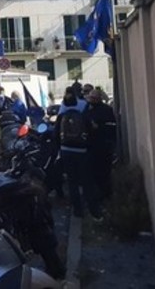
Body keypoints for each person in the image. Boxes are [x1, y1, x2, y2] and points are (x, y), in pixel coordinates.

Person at [56, 88, 101, 220]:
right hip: (82, 151)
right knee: (87, 181)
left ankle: (77, 211)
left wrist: (59, 149)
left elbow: (56, 133)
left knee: (72, 182)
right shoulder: (83, 107)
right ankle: (93, 210)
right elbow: (91, 130)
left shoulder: (62, 110)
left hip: (66, 151)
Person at [87, 89, 117, 200]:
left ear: (99, 99)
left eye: (94, 98)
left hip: (104, 145)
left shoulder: (106, 110)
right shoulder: (87, 110)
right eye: (91, 98)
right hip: (92, 146)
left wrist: (99, 127)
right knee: (94, 173)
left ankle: (106, 195)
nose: (92, 100)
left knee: (105, 172)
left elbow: (112, 126)